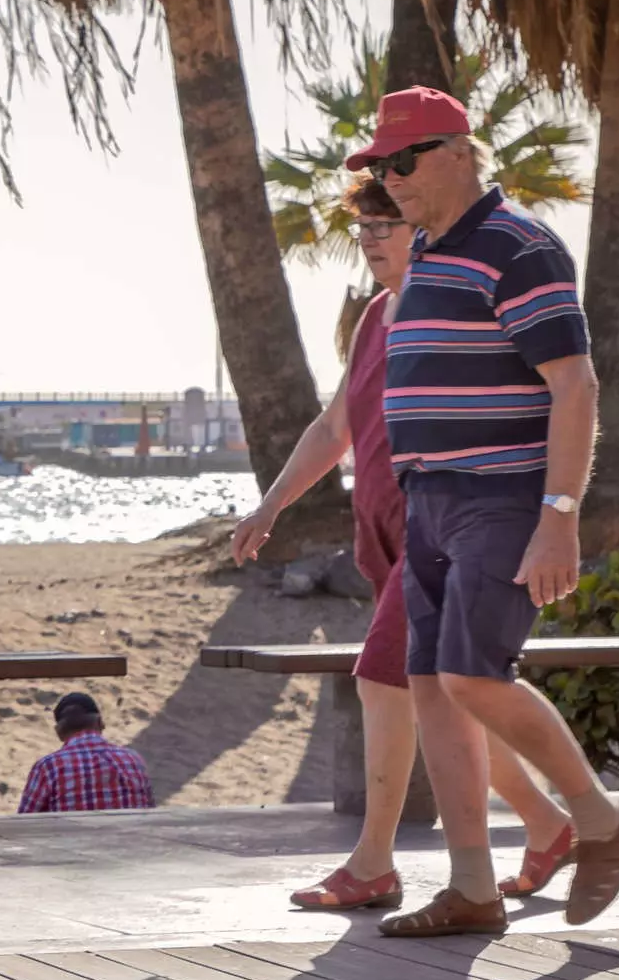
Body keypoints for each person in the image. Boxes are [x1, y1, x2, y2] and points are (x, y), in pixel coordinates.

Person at [232, 173, 573, 912]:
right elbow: (335, 428)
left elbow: (554, 394)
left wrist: (551, 513)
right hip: (387, 543)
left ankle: (374, 863)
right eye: (363, 230)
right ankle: (549, 825)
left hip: (453, 533)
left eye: (387, 225)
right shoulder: (374, 320)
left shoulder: (456, 311)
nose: (372, 241)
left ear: (425, 225)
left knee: (383, 681)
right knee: (453, 698)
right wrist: (271, 506)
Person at [351, 87, 619, 935]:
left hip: (503, 498)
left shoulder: (520, 247)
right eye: (379, 165)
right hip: (431, 501)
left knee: (475, 674)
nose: (390, 179)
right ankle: (473, 888)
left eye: (404, 160)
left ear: (458, 151)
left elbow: (575, 383)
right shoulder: (431, 254)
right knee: (434, 686)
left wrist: (560, 512)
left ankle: (599, 817)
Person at [17, 693, 155, 813]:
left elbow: (24, 824)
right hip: (133, 842)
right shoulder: (133, 760)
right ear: (100, 722)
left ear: (59, 732)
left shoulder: (48, 768)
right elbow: (149, 811)